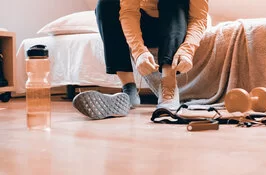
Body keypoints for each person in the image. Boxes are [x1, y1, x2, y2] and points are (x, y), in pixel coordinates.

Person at [73, 0, 208, 119]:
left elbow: (199, 18)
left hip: (178, 22)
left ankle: (168, 86)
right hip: (146, 23)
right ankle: (128, 90)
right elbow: (129, 11)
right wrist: (139, 52)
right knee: (106, 4)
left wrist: (187, 49)